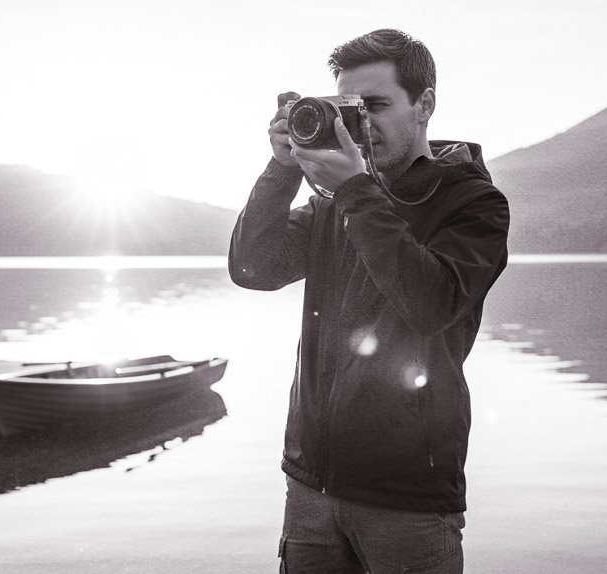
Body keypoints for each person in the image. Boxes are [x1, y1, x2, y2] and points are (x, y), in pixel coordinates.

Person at [229, 29, 510, 573]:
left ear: (425, 104)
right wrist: (283, 168)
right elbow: (252, 268)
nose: (360, 124)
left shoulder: (473, 202)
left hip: (409, 501)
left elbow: (431, 304)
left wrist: (357, 191)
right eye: (350, 108)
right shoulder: (335, 201)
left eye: (376, 106)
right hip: (310, 486)